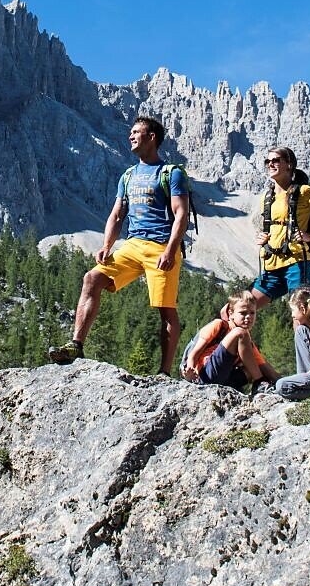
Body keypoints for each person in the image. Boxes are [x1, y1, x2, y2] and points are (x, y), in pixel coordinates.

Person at [47, 115, 191, 374]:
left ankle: (164, 372)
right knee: (92, 279)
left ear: (151, 137)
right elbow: (117, 214)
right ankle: (76, 345)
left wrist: (171, 250)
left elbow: (181, 213)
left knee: (166, 309)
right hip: (132, 245)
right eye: (131, 132)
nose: (131, 136)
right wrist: (107, 245)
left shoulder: (172, 173)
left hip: (161, 246)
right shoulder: (128, 176)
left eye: (136, 132)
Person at [250, 146, 310, 309]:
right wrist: (263, 237)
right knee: (239, 308)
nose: (270, 164)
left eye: (275, 160)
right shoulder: (267, 197)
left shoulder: (304, 192)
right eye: (267, 161)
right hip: (271, 265)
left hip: (297, 263)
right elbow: (274, 228)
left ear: (289, 164)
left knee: (301, 315)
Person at [192, 292, 281, 393]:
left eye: (252, 313)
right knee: (240, 332)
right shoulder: (220, 325)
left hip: (224, 380)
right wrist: (190, 373)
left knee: (255, 367)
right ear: (231, 313)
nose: (248, 317)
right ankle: (259, 382)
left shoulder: (246, 342)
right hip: (206, 375)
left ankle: (259, 386)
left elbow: (265, 368)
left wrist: (285, 384)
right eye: (243, 313)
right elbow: (194, 354)